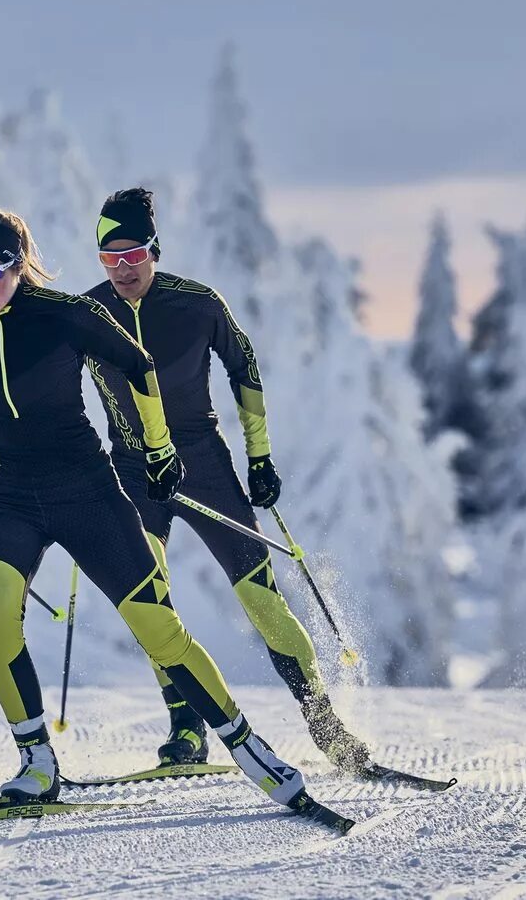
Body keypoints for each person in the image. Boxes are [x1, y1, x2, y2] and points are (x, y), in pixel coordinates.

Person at [0, 207, 320, 815]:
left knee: (159, 629)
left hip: (89, 494)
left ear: (18, 266)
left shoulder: (66, 315)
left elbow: (139, 365)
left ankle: (245, 743)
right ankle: (36, 762)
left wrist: (158, 448)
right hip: (4, 496)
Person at [84, 187, 373, 776]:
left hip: (203, 464)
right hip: (133, 472)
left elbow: (244, 368)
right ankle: (186, 727)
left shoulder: (198, 304)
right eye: (109, 259)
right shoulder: (87, 314)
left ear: (154, 249)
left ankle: (323, 721)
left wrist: (259, 458)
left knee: (259, 594)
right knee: (151, 601)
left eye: (133, 253)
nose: (123, 269)